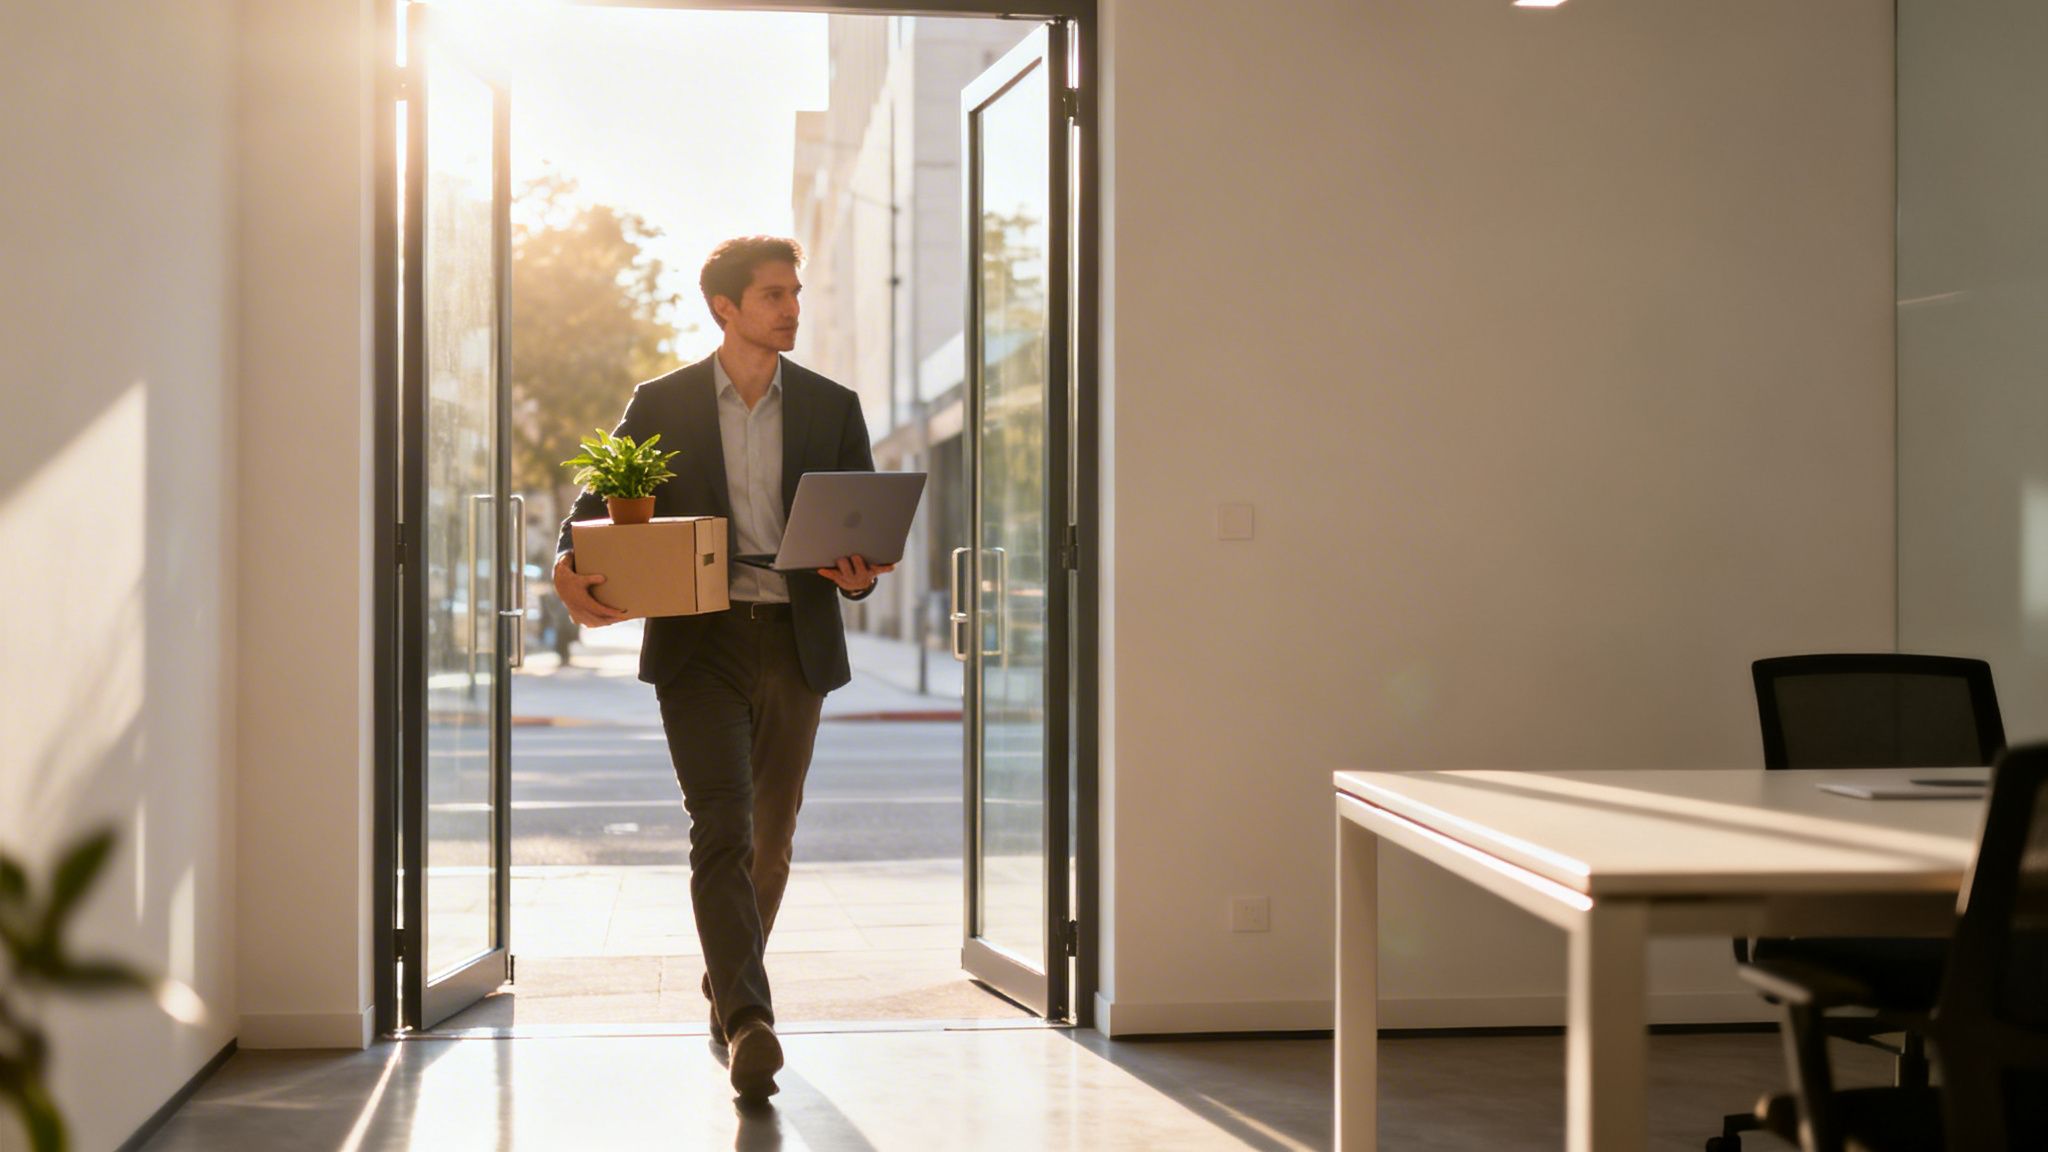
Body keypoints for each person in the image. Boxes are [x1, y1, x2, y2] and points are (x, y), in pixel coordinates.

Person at [552, 235, 892, 1100]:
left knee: (770, 844)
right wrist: (565, 567)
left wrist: (860, 574)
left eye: (796, 292)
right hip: (698, 646)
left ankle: (727, 984)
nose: (793, 308)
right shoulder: (661, 402)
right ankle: (750, 1022)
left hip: (794, 640)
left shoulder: (831, 405)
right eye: (775, 294)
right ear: (725, 308)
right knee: (723, 831)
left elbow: (860, 525)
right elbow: (594, 508)